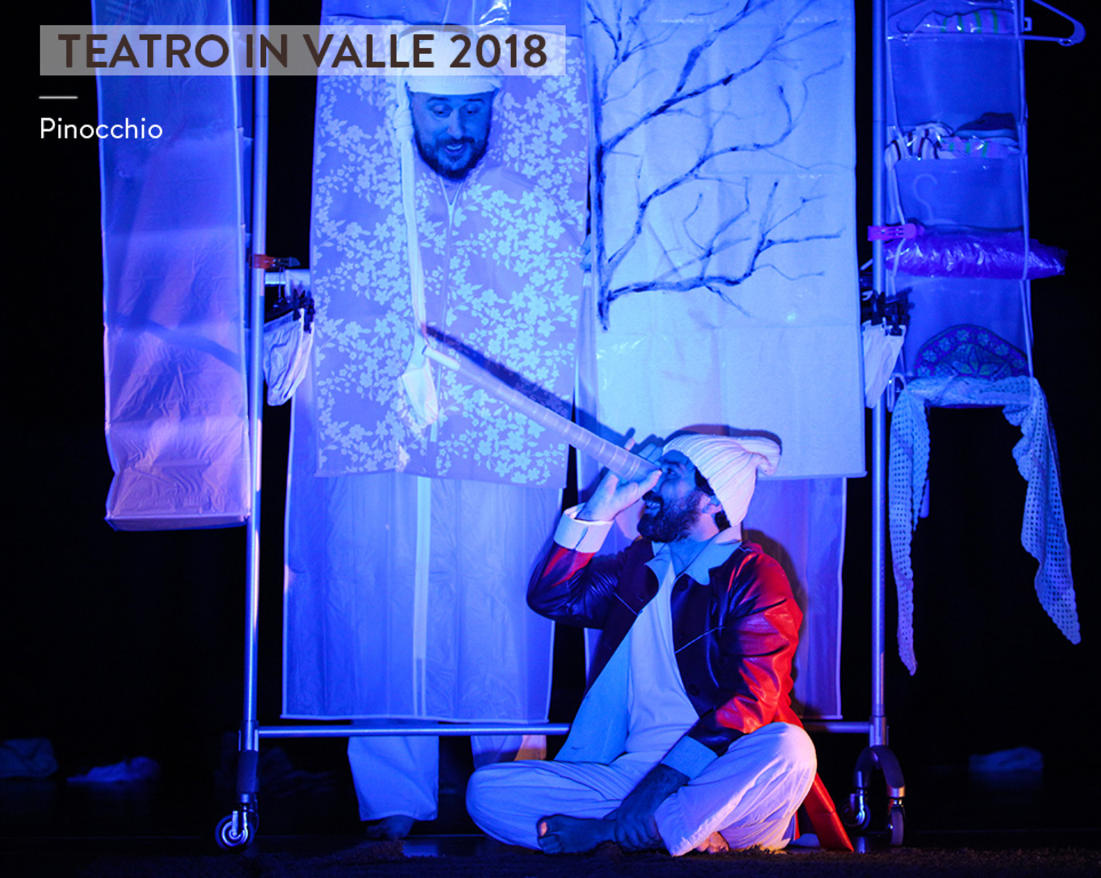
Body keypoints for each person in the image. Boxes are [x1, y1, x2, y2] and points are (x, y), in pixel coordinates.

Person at [285, 66, 584, 840]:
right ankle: (392, 798)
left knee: (498, 587)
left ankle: (511, 784)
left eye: (471, 110)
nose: (456, 129)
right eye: (439, 109)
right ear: (408, 109)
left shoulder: (523, 198)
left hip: (497, 427)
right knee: (385, 592)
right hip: (390, 421)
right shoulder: (369, 200)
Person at [465, 433, 853, 854]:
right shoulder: (639, 567)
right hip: (630, 780)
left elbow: (750, 704)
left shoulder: (754, 575)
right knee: (485, 791)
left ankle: (612, 833)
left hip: (721, 779)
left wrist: (654, 792)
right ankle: (674, 831)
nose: (649, 485)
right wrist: (598, 510)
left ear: (712, 500)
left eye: (669, 474)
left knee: (790, 748)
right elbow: (553, 596)